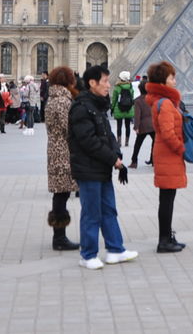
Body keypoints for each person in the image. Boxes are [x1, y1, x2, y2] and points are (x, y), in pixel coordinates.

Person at [69, 64, 137, 270]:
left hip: (101, 167)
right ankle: (87, 255)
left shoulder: (98, 105)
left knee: (109, 210)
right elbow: (88, 142)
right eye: (106, 81)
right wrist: (112, 159)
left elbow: (108, 135)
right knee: (91, 213)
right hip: (88, 169)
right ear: (92, 83)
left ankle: (115, 250)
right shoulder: (81, 108)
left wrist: (116, 153)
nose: (109, 85)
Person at [146, 61, 188, 253]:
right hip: (168, 155)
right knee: (167, 199)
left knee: (167, 198)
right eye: (171, 77)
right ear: (163, 81)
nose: (175, 80)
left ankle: (167, 236)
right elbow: (168, 132)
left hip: (166, 155)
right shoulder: (165, 103)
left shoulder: (162, 102)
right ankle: (164, 241)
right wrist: (182, 149)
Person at [44, 66, 81, 251]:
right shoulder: (63, 102)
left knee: (61, 193)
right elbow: (70, 128)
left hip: (55, 150)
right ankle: (59, 238)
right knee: (62, 193)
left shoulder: (53, 98)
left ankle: (59, 235)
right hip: (63, 151)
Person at [130, 80, 154, 169]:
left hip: (143, 126)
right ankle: (153, 160)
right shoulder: (153, 99)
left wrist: (136, 126)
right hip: (153, 125)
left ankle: (134, 161)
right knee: (154, 143)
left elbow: (137, 115)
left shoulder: (138, 101)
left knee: (138, 144)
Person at [111, 71, 135, 146]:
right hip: (128, 108)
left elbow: (114, 99)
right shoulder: (130, 87)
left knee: (119, 126)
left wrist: (112, 108)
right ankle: (127, 142)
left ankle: (119, 141)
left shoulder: (117, 87)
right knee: (127, 126)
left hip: (119, 108)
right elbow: (132, 98)